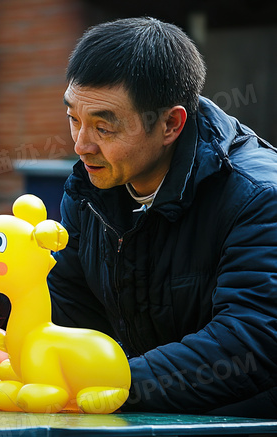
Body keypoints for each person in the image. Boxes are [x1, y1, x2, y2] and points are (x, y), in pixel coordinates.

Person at [29, 17, 277, 417]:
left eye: (103, 128)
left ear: (170, 124)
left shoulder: (259, 198)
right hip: (153, 415)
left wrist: (115, 386)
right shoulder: (92, 190)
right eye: (74, 119)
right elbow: (73, 313)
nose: (81, 145)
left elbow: (253, 341)